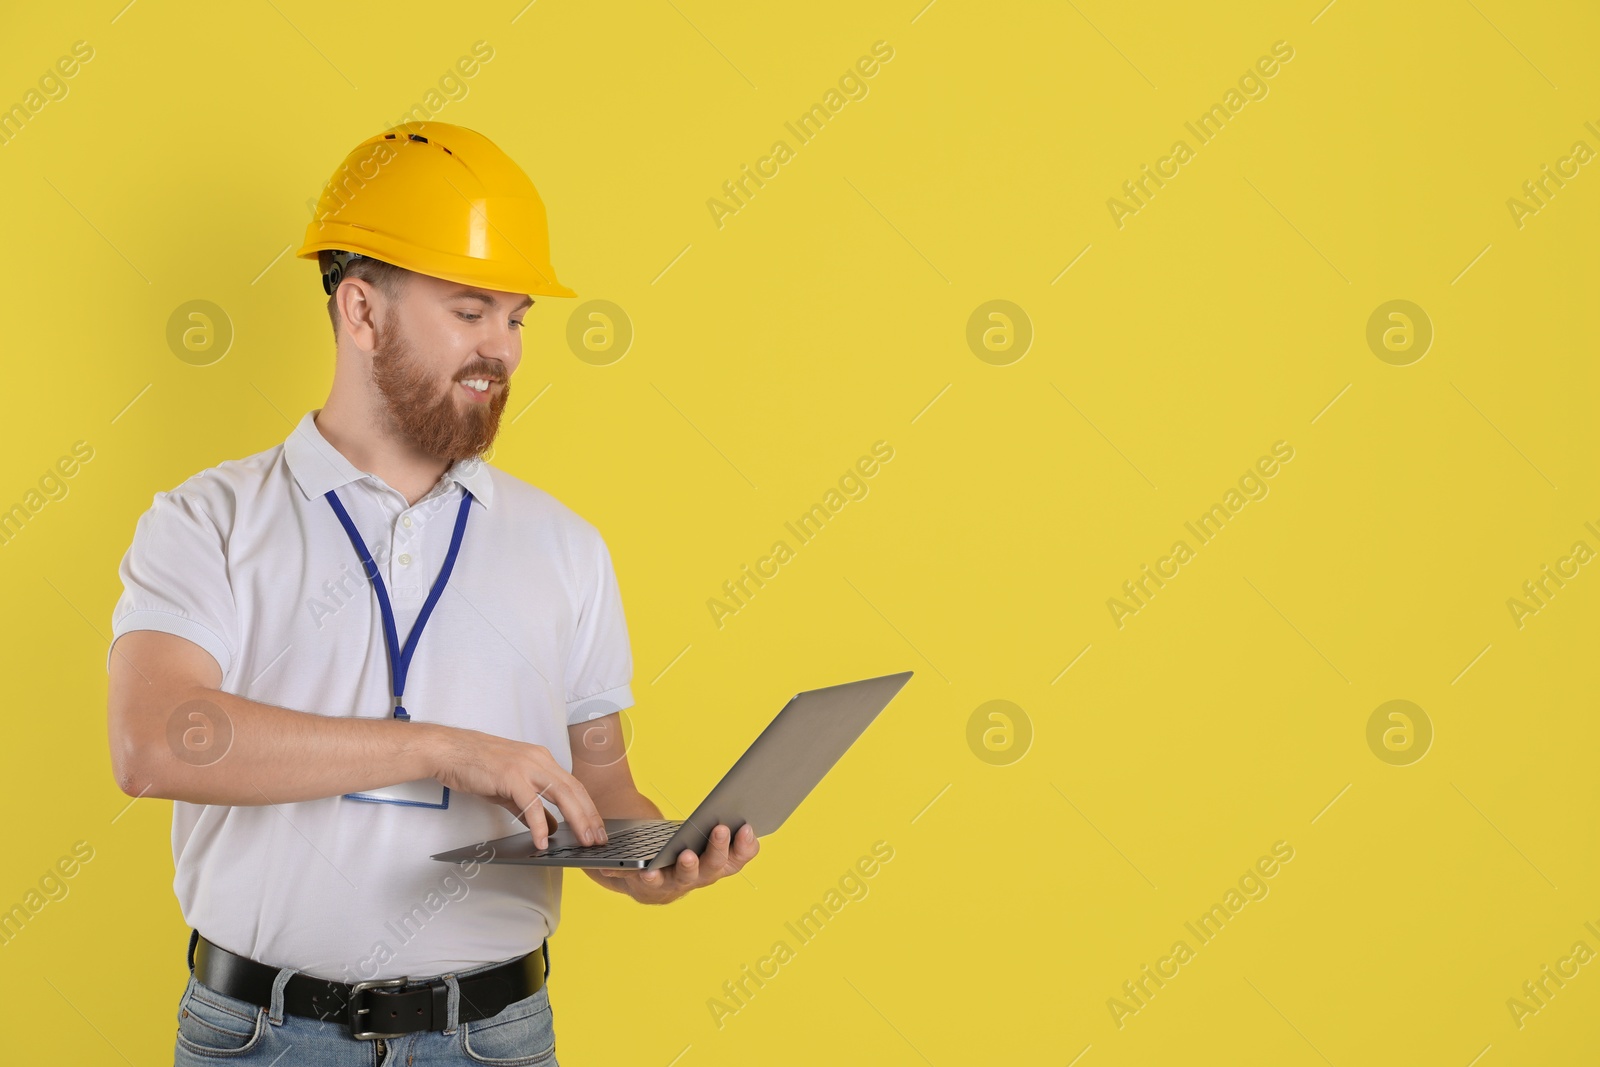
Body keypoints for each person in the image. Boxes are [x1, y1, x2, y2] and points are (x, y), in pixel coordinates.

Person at [105, 122, 758, 1066]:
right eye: (469, 311)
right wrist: (441, 749)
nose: (504, 349)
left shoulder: (566, 547)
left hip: (494, 1037)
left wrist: (649, 855)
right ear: (361, 311)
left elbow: (601, 784)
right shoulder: (206, 519)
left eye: (517, 317)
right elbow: (157, 739)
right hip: (262, 1038)